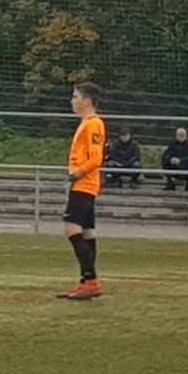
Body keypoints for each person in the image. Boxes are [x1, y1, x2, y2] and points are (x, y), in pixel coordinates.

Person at [59, 83, 107, 301]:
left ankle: (90, 279)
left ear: (87, 101)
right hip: (85, 183)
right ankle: (87, 281)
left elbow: (96, 158)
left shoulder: (93, 124)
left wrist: (75, 175)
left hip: (84, 184)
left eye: (75, 97)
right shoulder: (86, 124)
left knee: (71, 228)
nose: (72, 101)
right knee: (87, 232)